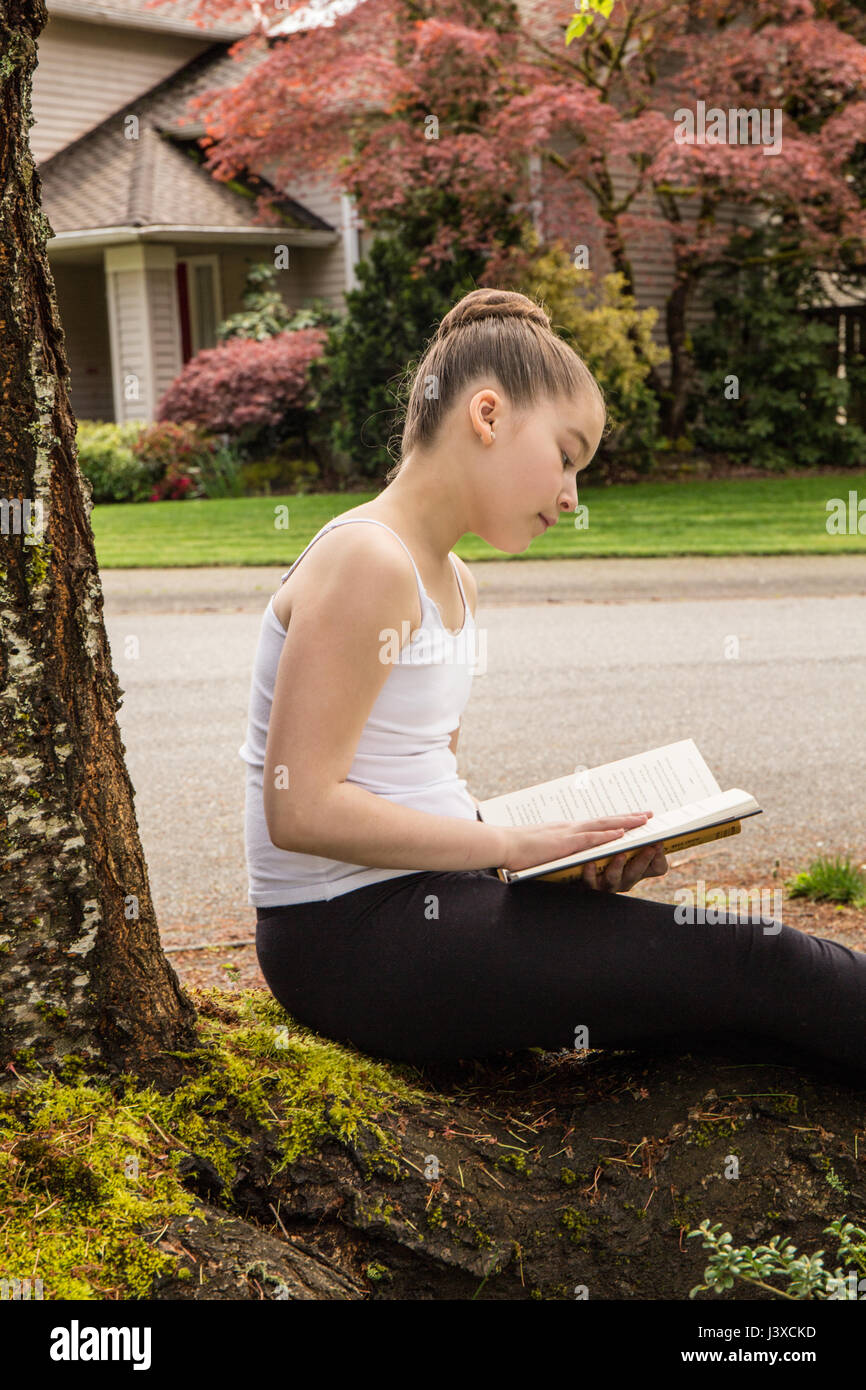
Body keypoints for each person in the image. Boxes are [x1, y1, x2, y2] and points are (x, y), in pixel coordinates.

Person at [239, 287, 866, 1072]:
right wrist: (505, 843)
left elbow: (412, 781)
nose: (572, 496)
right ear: (488, 416)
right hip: (347, 937)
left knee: (734, 1012)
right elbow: (301, 808)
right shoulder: (367, 559)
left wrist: (555, 863)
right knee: (757, 957)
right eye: (567, 458)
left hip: (426, 901)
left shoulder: (456, 581)